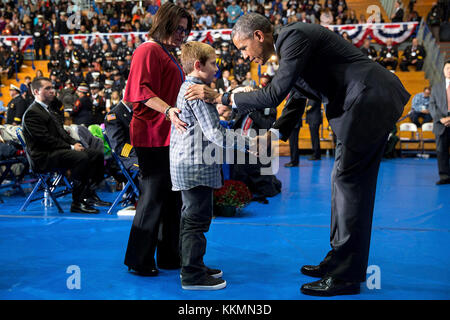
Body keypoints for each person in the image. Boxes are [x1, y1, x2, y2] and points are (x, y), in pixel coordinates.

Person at [185, 13, 410, 296]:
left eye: (243, 48)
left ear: (259, 36)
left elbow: (274, 95)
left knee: (351, 187)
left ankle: (345, 276)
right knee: (343, 185)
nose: (244, 57)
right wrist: (275, 134)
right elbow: (296, 98)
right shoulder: (293, 48)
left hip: (368, 98)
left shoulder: (293, 36)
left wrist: (222, 96)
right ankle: (338, 261)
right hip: (361, 102)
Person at [172, 41, 251, 290]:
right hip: (195, 163)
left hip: (190, 161)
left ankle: (193, 265)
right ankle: (192, 275)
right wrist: (249, 143)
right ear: (198, 65)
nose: (217, 69)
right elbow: (215, 134)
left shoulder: (189, 86)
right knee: (196, 220)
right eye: (213, 63)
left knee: (192, 219)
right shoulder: (197, 90)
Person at [123, 2, 192, 277]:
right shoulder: (148, 49)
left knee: (171, 197)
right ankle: (138, 259)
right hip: (152, 134)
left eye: (185, 31)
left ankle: (169, 255)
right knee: (152, 196)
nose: (182, 35)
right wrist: (168, 109)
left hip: (168, 134)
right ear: (164, 23)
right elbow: (139, 91)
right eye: (178, 28)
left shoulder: (168, 52)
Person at [22, 77, 110, 214]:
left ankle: (88, 194)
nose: (52, 91)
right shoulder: (32, 113)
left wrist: (74, 143)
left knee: (95, 154)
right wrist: (71, 148)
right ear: (35, 91)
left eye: (52, 88)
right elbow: (45, 140)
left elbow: (62, 134)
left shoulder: (49, 110)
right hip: (42, 156)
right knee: (81, 157)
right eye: (47, 88)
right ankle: (77, 202)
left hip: (55, 151)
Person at [429, 60, 450, 185]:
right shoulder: (436, 87)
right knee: (441, 151)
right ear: (443, 70)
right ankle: (444, 176)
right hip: (440, 123)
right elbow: (432, 105)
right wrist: (441, 119)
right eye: (447, 68)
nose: (449, 70)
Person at [284, 92, 305, 168]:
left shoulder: (296, 95)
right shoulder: (292, 95)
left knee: (293, 143)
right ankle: (294, 160)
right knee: (292, 143)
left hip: (295, 123)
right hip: (292, 123)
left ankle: (294, 161)